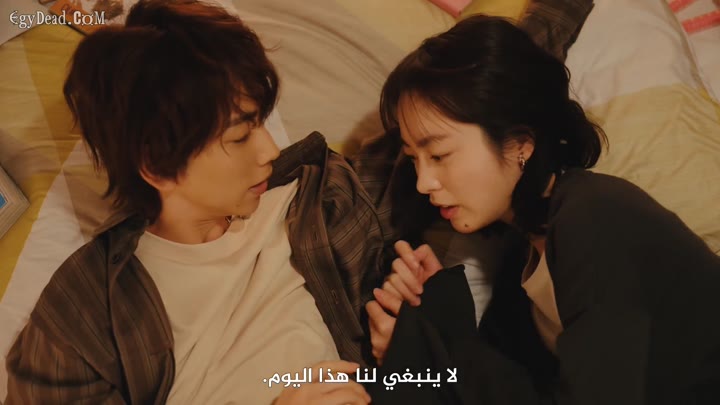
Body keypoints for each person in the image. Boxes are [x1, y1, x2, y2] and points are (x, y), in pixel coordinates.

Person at [4, 1, 382, 404]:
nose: (270, 150)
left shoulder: (315, 194)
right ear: (157, 165)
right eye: (240, 136)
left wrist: (408, 316)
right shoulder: (85, 314)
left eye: (261, 122)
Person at [364, 14, 720, 405]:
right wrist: (432, 317)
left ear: (521, 143)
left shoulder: (595, 219)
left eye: (439, 154)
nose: (423, 183)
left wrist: (418, 355)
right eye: (414, 159)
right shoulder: (522, 259)